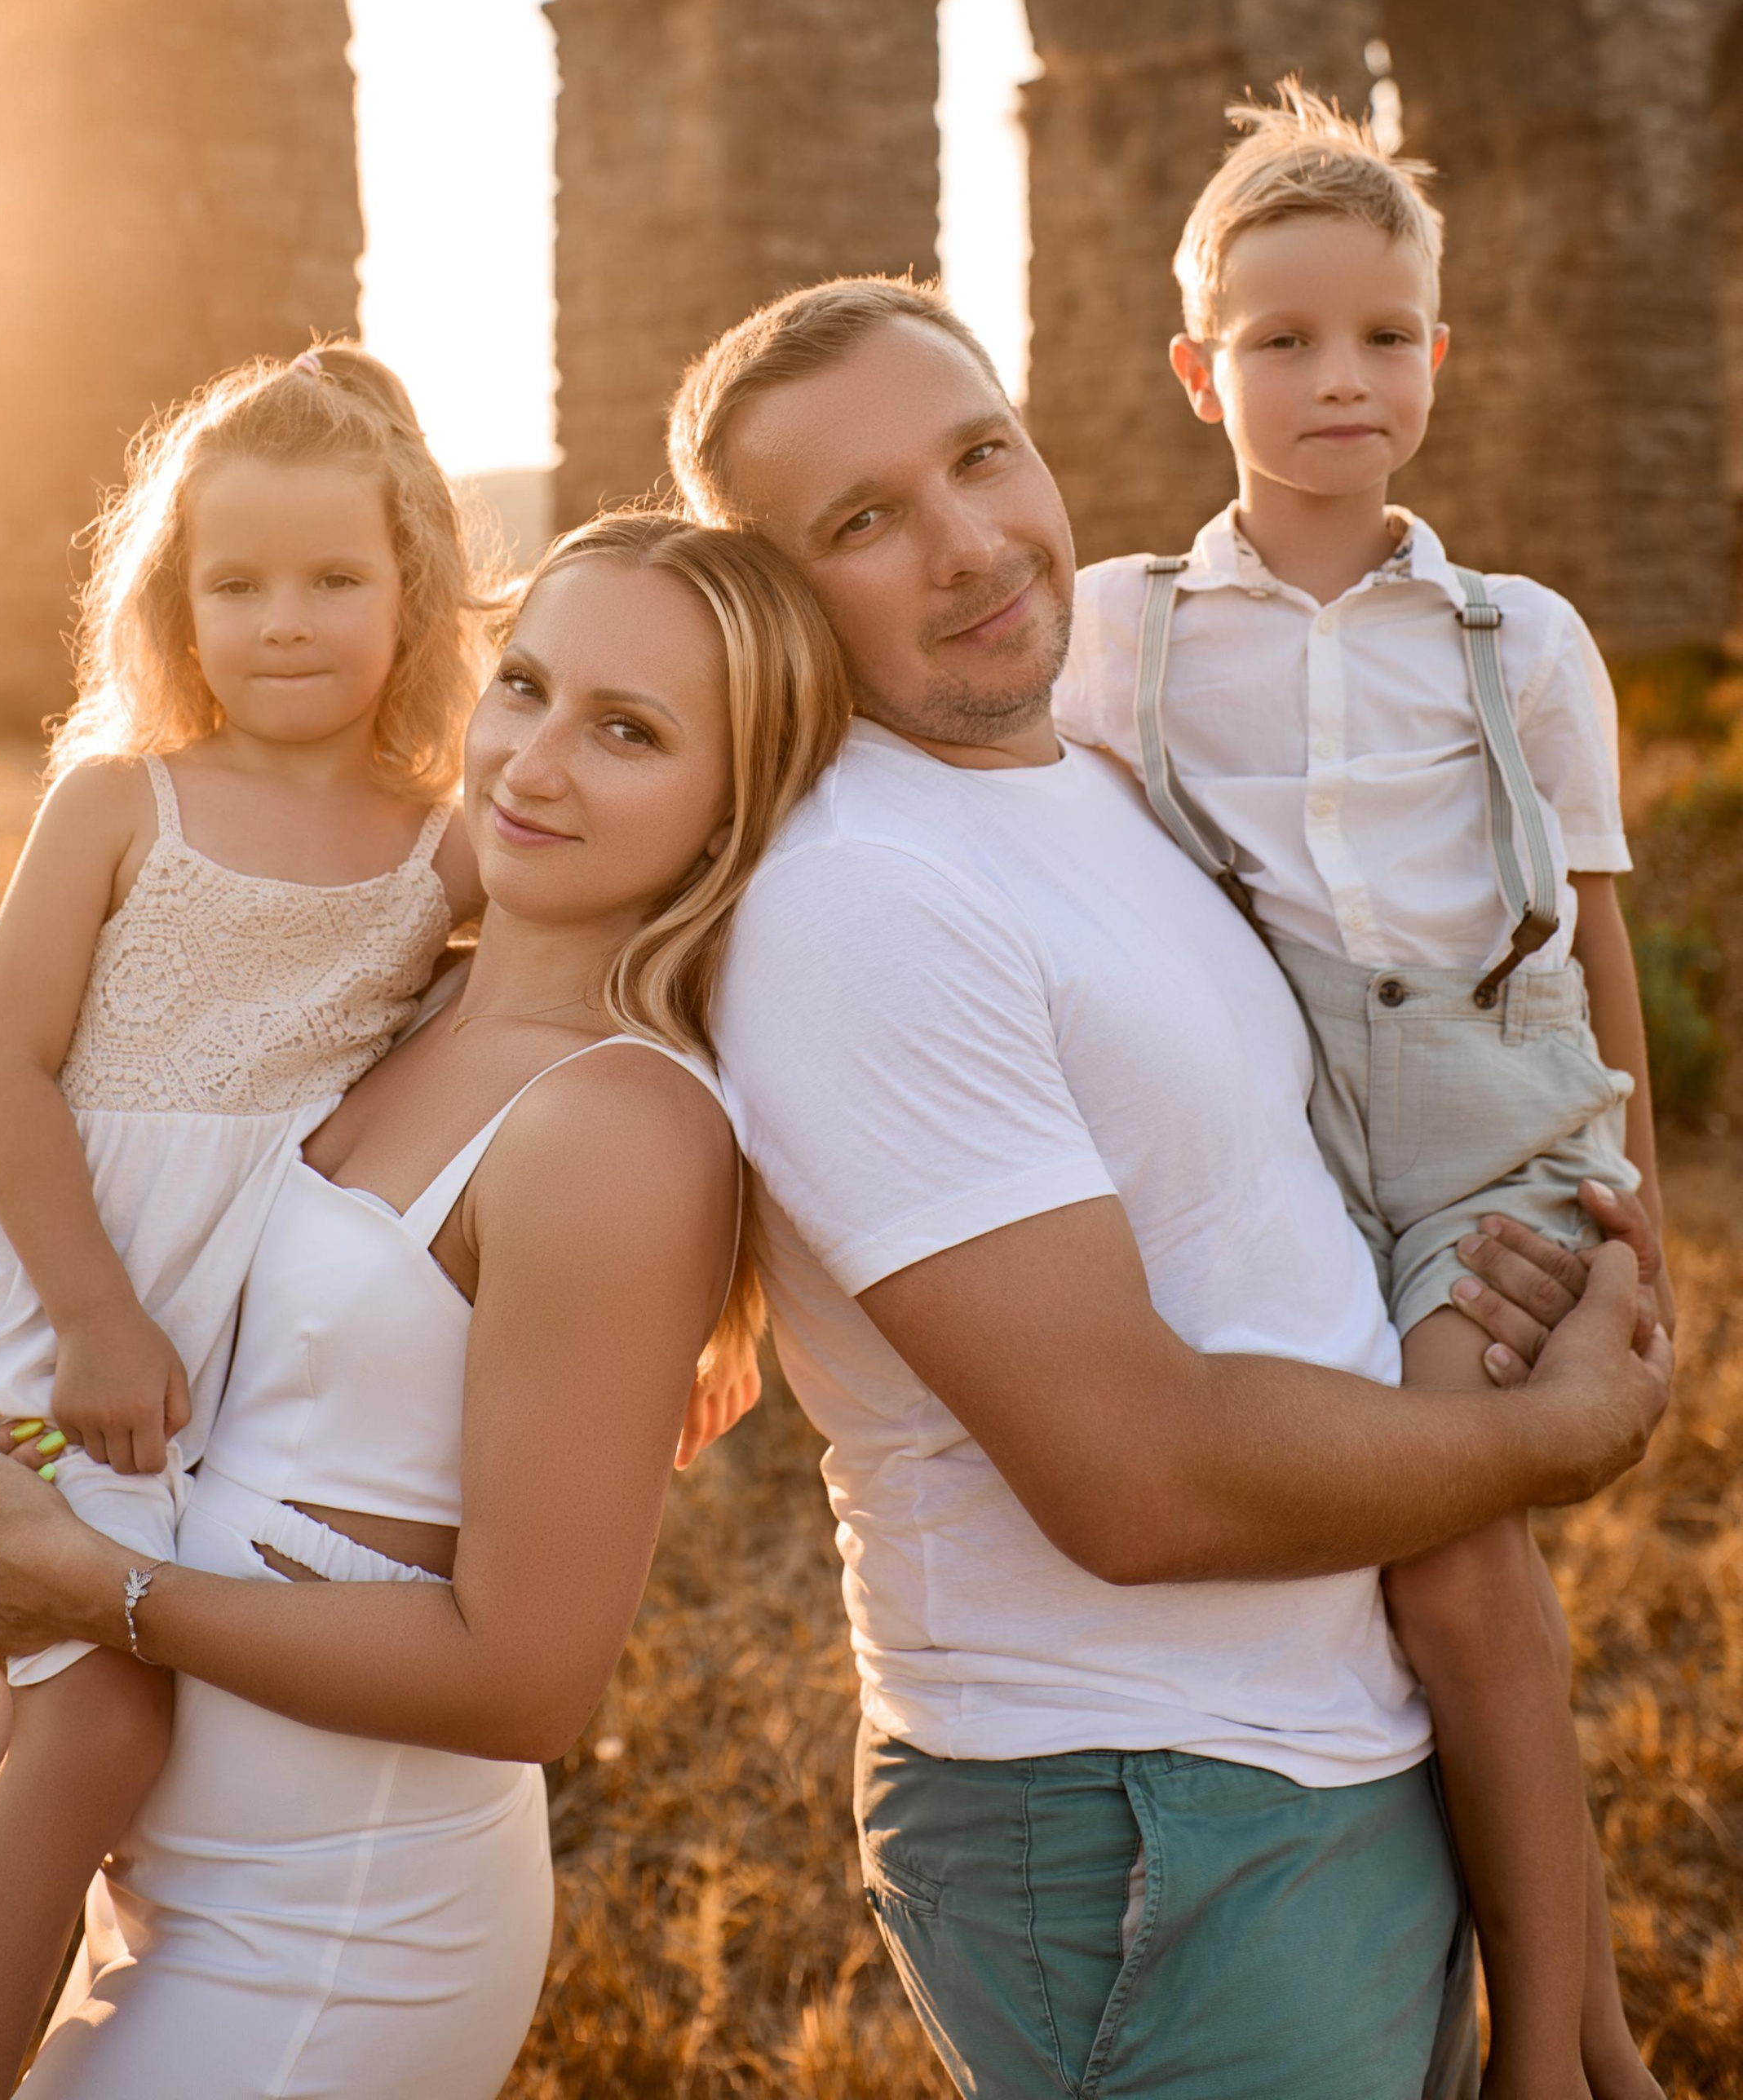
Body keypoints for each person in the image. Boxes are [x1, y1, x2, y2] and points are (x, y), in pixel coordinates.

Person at [666, 274, 1670, 2100]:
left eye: (982, 455)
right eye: (865, 521)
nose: (972, 545)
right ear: (770, 599)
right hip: (1138, 1808)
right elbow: (1132, 1483)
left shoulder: (1108, 779)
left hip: (1314, 1741)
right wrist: (1554, 1436)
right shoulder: (859, 896)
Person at [0, 510, 851, 2099]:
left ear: (727, 813)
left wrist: (96, 1588)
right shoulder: (405, 991)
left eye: (628, 731)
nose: (533, 763)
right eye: (525, 685)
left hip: (332, 1939)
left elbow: (528, 1679)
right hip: (153, 1879)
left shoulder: (616, 1126)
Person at [1052, 85, 1661, 2100]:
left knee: (1446, 1549)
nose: (1339, 378)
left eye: (1383, 336)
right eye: (1281, 339)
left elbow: (1588, 943)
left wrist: (1641, 1223)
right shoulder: (1118, 628)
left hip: (1496, 1136)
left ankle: (1549, 2044)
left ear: (1437, 356)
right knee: (1403, 1548)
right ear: (1193, 370)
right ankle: (1568, 2025)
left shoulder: (1524, 640)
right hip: (1287, 1143)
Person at [0, 342, 488, 2100]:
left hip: (209, 1368)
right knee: (104, 1728)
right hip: (46, 1325)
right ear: (175, 605)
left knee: (37, 1742)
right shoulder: (122, 801)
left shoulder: (438, 846)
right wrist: (95, 1315)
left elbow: (589, 935)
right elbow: (1, 1070)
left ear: (412, 594)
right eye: (237, 584)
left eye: (335, 579)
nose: (284, 622)